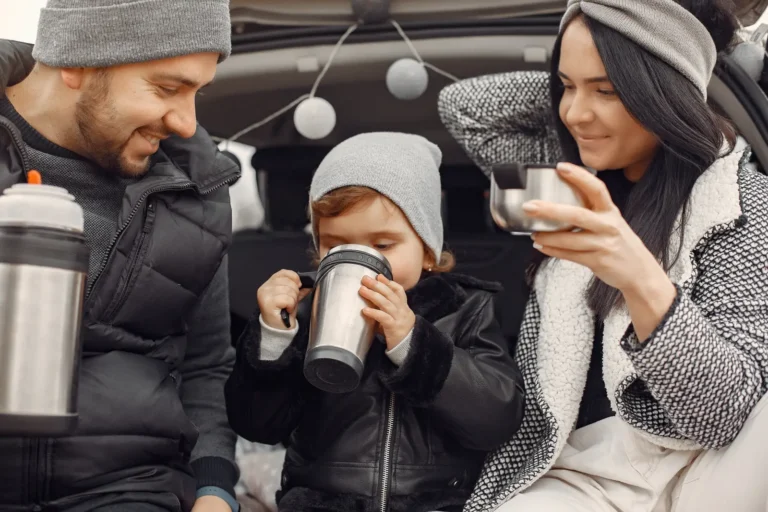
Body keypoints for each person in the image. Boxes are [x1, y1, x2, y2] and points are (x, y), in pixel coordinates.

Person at [440, 1, 768, 511]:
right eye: (566, 87)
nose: (573, 114)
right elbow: (466, 107)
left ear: (664, 93)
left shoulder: (744, 204)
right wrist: (588, 72)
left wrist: (640, 278)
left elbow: (726, 418)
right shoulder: (566, 187)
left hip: (705, 472)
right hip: (579, 478)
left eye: (607, 90)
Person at [0, 1, 240, 511]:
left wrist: (216, 490)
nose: (186, 122)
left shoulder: (196, 192)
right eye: (167, 88)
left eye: (198, 92)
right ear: (76, 61)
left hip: (130, 488)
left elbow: (206, 365)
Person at [224, 132, 526, 512]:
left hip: (435, 503)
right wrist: (273, 338)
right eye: (336, 245)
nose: (362, 261)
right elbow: (256, 425)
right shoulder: (308, 311)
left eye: (383, 246)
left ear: (428, 250)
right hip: (321, 501)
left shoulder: (464, 309)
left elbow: (497, 419)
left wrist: (414, 343)